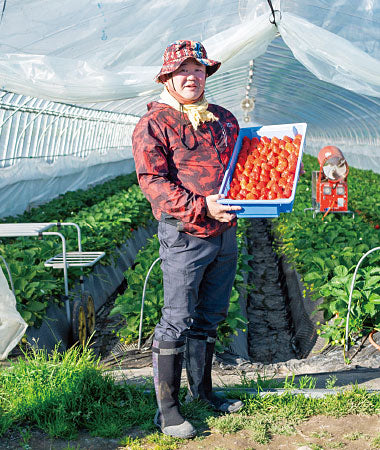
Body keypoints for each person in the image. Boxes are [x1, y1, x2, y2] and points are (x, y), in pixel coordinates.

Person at [132, 40, 243, 439]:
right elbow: (153, 183)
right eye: (184, 70)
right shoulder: (154, 124)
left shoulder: (223, 118)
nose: (192, 76)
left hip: (225, 232)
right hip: (185, 235)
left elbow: (243, 164)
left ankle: (205, 392)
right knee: (177, 319)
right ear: (167, 77)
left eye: (199, 69)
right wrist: (201, 207)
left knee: (209, 317)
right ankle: (168, 410)